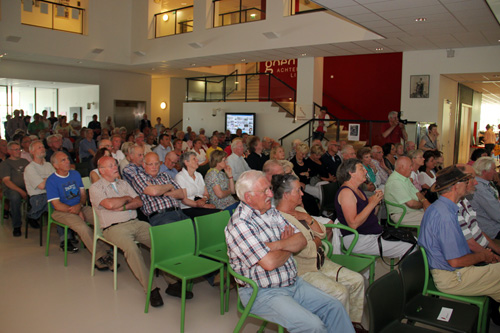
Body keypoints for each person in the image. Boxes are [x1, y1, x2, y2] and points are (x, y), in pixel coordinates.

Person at [225, 170, 354, 332]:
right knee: (313, 326)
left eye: (269, 188)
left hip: (293, 281)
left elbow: (300, 240)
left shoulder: (270, 210)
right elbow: (270, 263)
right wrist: (287, 244)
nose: (271, 194)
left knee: (334, 306)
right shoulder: (240, 225)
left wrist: (277, 245)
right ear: (249, 198)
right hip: (262, 292)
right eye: (264, 191)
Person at [273, 173, 365, 326]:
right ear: (287, 195)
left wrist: (307, 218)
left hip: (319, 262)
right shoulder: (279, 219)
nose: (302, 193)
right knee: (340, 292)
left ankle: (353, 325)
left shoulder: (298, 210)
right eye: (298, 190)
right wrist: (315, 241)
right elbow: (305, 250)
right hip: (303, 271)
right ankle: (337, 327)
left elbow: (322, 232)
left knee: (357, 281)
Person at [418, 165, 500, 305]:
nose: (470, 183)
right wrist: (484, 256)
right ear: (456, 186)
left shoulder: (445, 208)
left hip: (454, 271)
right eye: (466, 180)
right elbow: (455, 261)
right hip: (452, 278)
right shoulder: (446, 215)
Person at [90, 156, 166, 307]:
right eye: (111, 166)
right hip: (113, 228)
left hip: (135, 222)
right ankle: (151, 289)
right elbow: (110, 204)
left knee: (160, 240)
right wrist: (126, 199)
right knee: (131, 248)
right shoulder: (96, 188)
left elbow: (138, 201)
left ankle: (173, 281)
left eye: (115, 164)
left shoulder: (123, 183)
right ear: (101, 171)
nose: (115, 167)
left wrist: (123, 203)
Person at [46, 151, 114, 270]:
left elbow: (83, 195)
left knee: (102, 217)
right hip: (61, 211)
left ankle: (106, 247)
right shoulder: (51, 180)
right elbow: (56, 205)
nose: (68, 161)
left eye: (67, 159)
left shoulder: (75, 174)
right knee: (83, 227)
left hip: (79, 206)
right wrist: (76, 211)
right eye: (63, 160)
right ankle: (100, 257)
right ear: (55, 165)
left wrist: (80, 206)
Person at [335, 159, 415, 258]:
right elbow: (353, 224)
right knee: (410, 247)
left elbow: (370, 215)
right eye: (361, 169)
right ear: (351, 173)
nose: (366, 171)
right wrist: (371, 204)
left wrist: (376, 203)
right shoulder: (346, 193)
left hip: (370, 234)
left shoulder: (357, 189)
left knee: (412, 239)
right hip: (358, 239)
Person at [131, 152, 189, 226]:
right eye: (150, 164)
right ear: (144, 165)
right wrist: (170, 186)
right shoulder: (139, 177)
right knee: (178, 233)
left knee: (196, 232)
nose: (154, 167)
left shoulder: (165, 175)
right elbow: (154, 192)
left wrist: (162, 192)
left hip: (179, 212)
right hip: (160, 216)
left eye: (156, 164)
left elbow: (181, 194)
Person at [456, 164, 500, 255]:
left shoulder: (464, 200)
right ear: (459, 182)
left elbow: (477, 231)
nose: (476, 183)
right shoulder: (451, 209)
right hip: (473, 255)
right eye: (472, 178)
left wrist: (497, 250)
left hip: (482, 247)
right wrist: (488, 256)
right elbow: (469, 244)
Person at [385, 156, 430, 226]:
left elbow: (417, 193)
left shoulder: (404, 178)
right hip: (402, 214)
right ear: (401, 167)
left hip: (412, 211)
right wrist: (424, 205)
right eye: (410, 166)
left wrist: (425, 201)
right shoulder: (395, 182)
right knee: (434, 218)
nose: (412, 169)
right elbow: (411, 204)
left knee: (437, 215)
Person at [174, 152, 219, 219]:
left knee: (221, 212)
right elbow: (184, 200)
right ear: (186, 162)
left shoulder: (198, 175)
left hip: (202, 205)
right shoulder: (180, 177)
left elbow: (206, 194)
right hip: (188, 208)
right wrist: (203, 206)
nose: (197, 160)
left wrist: (204, 200)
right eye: (194, 159)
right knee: (217, 214)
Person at [0, 141, 30, 236]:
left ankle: (32, 217)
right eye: (16, 149)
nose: (18, 151)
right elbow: (7, 181)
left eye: (19, 149)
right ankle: (17, 226)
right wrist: (21, 191)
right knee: (15, 196)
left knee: (37, 193)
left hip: (25, 186)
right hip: (10, 189)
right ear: (9, 151)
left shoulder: (25, 162)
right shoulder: (5, 164)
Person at [470, 157, 500, 239]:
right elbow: (497, 215)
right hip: (491, 229)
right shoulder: (480, 188)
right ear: (484, 172)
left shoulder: (485, 184)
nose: (495, 172)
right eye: (493, 169)